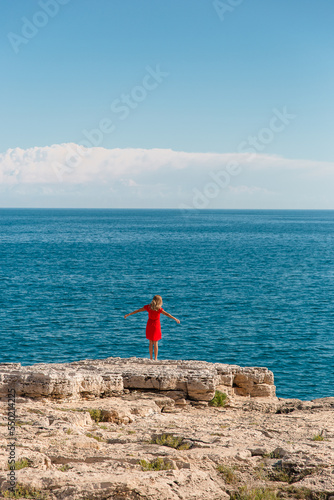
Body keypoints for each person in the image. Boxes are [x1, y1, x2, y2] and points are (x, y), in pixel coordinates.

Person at [124, 295, 180, 360]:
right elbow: (167, 314)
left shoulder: (148, 307)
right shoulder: (159, 309)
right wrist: (175, 319)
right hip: (156, 325)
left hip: (150, 324)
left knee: (150, 342)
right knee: (155, 342)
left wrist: (129, 314)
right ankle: (155, 358)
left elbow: (138, 310)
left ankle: (151, 358)